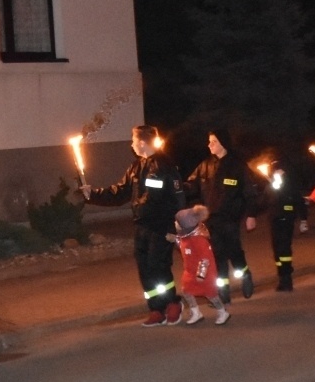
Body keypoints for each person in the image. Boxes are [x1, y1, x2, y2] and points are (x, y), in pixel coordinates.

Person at [82, 125, 184, 326]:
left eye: (134, 141)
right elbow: (119, 192)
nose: (132, 144)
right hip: (141, 226)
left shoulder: (164, 166)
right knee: (145, 268)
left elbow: (175, 199)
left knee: (158, 266)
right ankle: (156, 309)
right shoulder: (136, 167)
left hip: (161, 226)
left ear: (143, 142)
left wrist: (176, 226)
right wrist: (92, 194)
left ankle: (172, 303)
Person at [185, 129, 256, 298]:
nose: (209, 144)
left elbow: (250, 192)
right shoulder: (205, 165)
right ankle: (223, 289)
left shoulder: (237, 166)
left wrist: (251, 215)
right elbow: (190, 185)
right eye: (209, 141)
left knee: (234, 251)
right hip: (210, 219)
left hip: (230, 218)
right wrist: (174, 188)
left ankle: (245, 275)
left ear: (223, 143)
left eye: (214, 141)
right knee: (217, 254)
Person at [168, 206, 231, 325]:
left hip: (204, 273)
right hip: (190, 271)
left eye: (178, 222)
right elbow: (183, 246)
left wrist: (201, 275)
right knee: (186, 291)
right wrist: (175, 239)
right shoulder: (186, 237)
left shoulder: (199, 240)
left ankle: (222, 312)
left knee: (211, 295)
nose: (175, 224)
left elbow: (204, 259)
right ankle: (195, 312)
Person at [260, 152, 308, 290]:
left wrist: (304, 220)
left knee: (284, 248)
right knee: (276, 250)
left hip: (287, 220)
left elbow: (300, 202)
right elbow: (262, 202)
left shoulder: (291, 186)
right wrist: (251, 214)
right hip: (274, 221)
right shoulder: (270, 186)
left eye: (280, 170)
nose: (278, 172)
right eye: (275, 170)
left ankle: (287, 278)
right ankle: (282, 275)